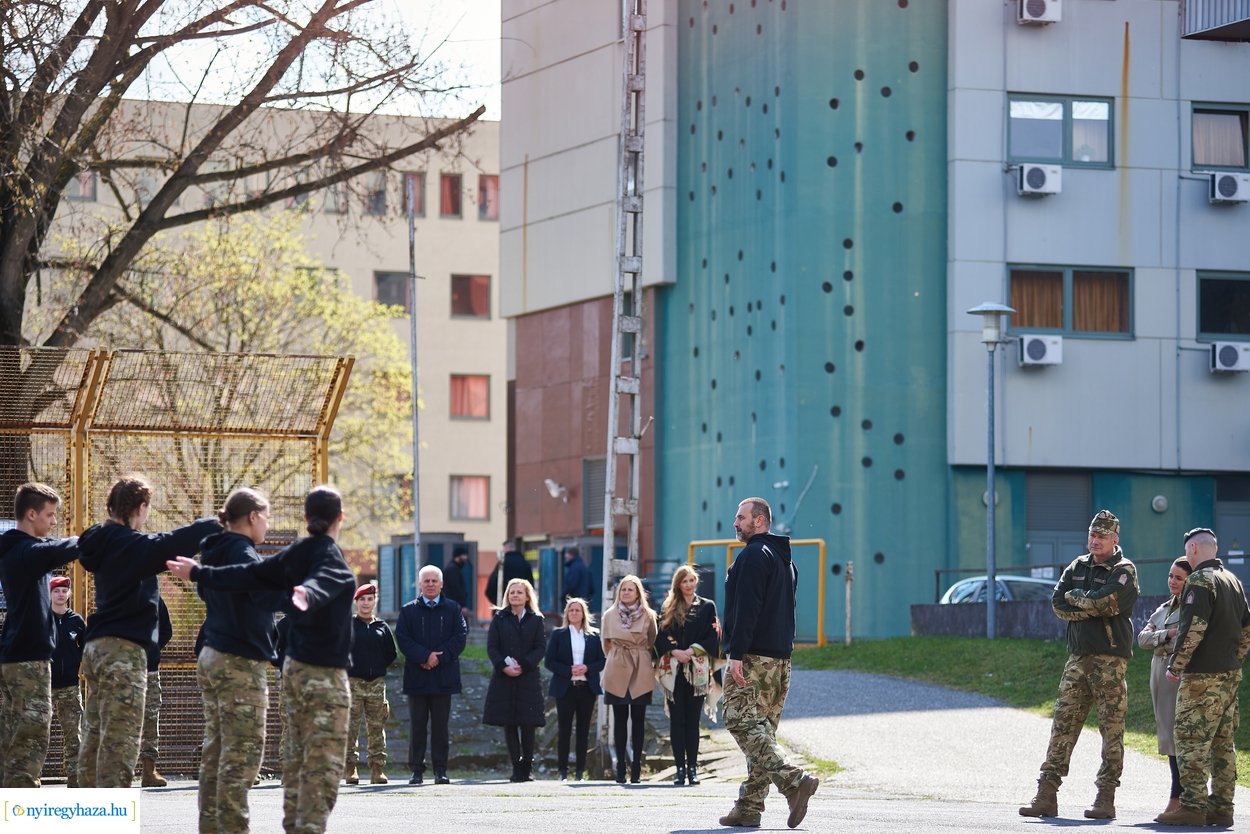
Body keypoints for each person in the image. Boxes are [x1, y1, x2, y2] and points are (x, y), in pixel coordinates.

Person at [167, 485, 356, 834]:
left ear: (305, 518)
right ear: (340, 518)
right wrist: (306, 595)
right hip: (318, 671)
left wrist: (199, 573)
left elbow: (249, 576)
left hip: (291, 668)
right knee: (321, 762)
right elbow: (327, 579)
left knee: (295, 755)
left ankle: (273, 825)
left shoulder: (294, 553)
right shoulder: (328, 556)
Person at [76, 475, 221, 788]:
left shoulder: (99, 540)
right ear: (139, 508)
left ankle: (85, 808)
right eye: (147, 508)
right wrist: (221, 520)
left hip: (98, 647)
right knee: (121, 739)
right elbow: (173, 542)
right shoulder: (129, 545)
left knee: (94, 732)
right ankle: (111, 815)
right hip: (123, 653)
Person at [1019, 509, 1139, 821]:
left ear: (1115, 539)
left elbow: (1109, 602)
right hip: (1077, 659)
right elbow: (1058, 604)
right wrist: (1090, 605)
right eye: (1092, 535)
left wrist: (1081, 600)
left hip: (1110, 661)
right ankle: (1046, 793)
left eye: (1101, 536)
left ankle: (1106, 796)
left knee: (1111, 729)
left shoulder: (1124, 570)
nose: (1094, 540)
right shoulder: (1077, 566)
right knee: (1062, 724)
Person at [719, 497, 819, 829]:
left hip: (753, 659)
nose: (735, 522)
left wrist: (736, 653)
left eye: (741, 517)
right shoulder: (785, 561)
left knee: (739, 720)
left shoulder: (751, 557)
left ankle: (794, 782)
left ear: (759, 521)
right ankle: (748, 807)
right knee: (762, 732)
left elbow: (748, 608)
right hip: (780, 661)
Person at [194, 487, 281, 834]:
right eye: (267, 517)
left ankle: (212, 827)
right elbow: (263, 594)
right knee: (242, 753)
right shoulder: (242, 551)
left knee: (216, 749)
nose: (268, 525)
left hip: (214, 652)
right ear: (253, 517)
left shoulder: (213, 551)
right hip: (239, 661)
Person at [1157, 527, 1250, 828]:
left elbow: (1193, 628)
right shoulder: (1232, 580)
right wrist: (1236, 659)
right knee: (1223, 742)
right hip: (1229, 675)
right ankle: (1222, 808)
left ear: (1194, 550)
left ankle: (1193, 806)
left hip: (1201, 677)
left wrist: (1176, 666)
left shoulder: (1199, 580)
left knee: (1191, 740)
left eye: (1187, 551)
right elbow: (1247, 628)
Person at [0, 483, 80, 788]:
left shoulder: (19, 551)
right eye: (50, 514)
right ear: (31, 514)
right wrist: (102, 535)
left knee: (12, 731)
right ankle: (20, 800)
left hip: (16, 656)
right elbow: (60, 549)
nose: (54, 521)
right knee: (31, 733)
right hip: (28, 658)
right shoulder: (24, 551)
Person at [395, 564, 467, 786]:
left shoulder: (453, 609)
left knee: (440, 727)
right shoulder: (408, 611)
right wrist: (425, 657)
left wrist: (438, 658)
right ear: (420, 584)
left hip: (443, 677)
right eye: (426, 581)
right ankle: (416, 770)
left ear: (441, 584)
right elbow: (403, 639)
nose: (430, 584)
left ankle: (440, 770)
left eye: (434, 580)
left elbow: (460, 636)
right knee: (417, 726)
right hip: (418, 676)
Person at [1136, 557, 1192, 818]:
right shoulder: (1163, 610)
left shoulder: (1191, 609)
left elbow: (1185, 641)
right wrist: (1166, 635)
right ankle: (1178, 796)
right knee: (1166, 734)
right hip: (1158, 673)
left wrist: (1161, 639)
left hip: (1175, 675)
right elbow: (1142, 639)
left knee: (1176, 737)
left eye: (1179, 578)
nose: (1172, 581)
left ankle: (1177, 797)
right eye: (1171, 576)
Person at [656, 564, 721, 787]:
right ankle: (679, 769)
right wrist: (675, 651)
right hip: (673, 670)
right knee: (677, 721)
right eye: (685, 581)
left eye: (692, 580)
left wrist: (691, 651)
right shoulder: (667, 607)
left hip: (698, 670)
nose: (689, 585)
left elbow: (713, 636)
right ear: (678, 584)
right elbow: (659, 637)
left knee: (693, 721)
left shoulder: (707, 606)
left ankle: (693, 768)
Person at [481, 577, 546, 782]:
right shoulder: (499, 619)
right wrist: (503, 666)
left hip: (528, 677)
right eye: (512, 592)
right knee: (509, 724)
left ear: (527, 596)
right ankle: (516, 767)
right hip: (504, 678)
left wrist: (524, 665)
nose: (515, 595)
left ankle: (527, 766)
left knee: (528, 724)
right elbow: (492, 647)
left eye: (519, 592)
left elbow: (540, 647)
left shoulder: (536, 620)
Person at [601, 573, 657, 784]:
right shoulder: (609, 615)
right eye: (623, 589)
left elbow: (652, 640)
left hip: (640, 665)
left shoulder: (649, 615)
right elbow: (605, 643)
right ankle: (620, 769)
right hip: (617, 664)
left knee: (639, 719)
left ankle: (636, 767)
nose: (626, 592)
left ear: (638, 593)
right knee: (620, 719)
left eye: (630, 589)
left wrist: (640, 655)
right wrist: (617, 657)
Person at [544, 597, 605, 781]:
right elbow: (549, 661)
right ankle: (562, 771)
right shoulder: (558, 634)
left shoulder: (594, 635)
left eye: (578, 610)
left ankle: (579, 771)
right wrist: (568, 670)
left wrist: (587, 668)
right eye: (571, 610)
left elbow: (601, 661)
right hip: (565, 687)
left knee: (583, 730)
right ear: (566, 614)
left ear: (584, 613)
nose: (574, 613)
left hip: (586, 687)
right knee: (564, 729)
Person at [344, 582, 397, 786]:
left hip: (376, 684)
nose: (366, 603)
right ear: (356, 602)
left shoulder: (381, 627)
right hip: (353, 683)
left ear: (374, 601)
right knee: (351, 728)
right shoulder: (348, 625)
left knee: (377, 727)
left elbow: (391, 653)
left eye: (370, 599)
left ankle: (377, 769)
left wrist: (376, 667)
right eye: (362, 599)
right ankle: (351, 768)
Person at [49, 574, 86, 787]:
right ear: (50, 594)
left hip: (70, 686)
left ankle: (75, 776)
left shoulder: (77, 621)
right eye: (56, 591)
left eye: (64, 590)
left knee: (74, 735)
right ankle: (30, 777)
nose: (61, 594)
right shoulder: (42, 619)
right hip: (44, 686)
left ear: (69, 593)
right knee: (37, 734)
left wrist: (75, 663)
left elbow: (86, 647)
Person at [138, 595, 173, 787]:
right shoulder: (121, 589)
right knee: (121, 719)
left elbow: (167, 630)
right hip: (124, 669)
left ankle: (148, 771)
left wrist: (153, 649)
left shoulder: (155, 598)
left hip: (150, 670)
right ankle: (117, 772)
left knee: (151, 720)